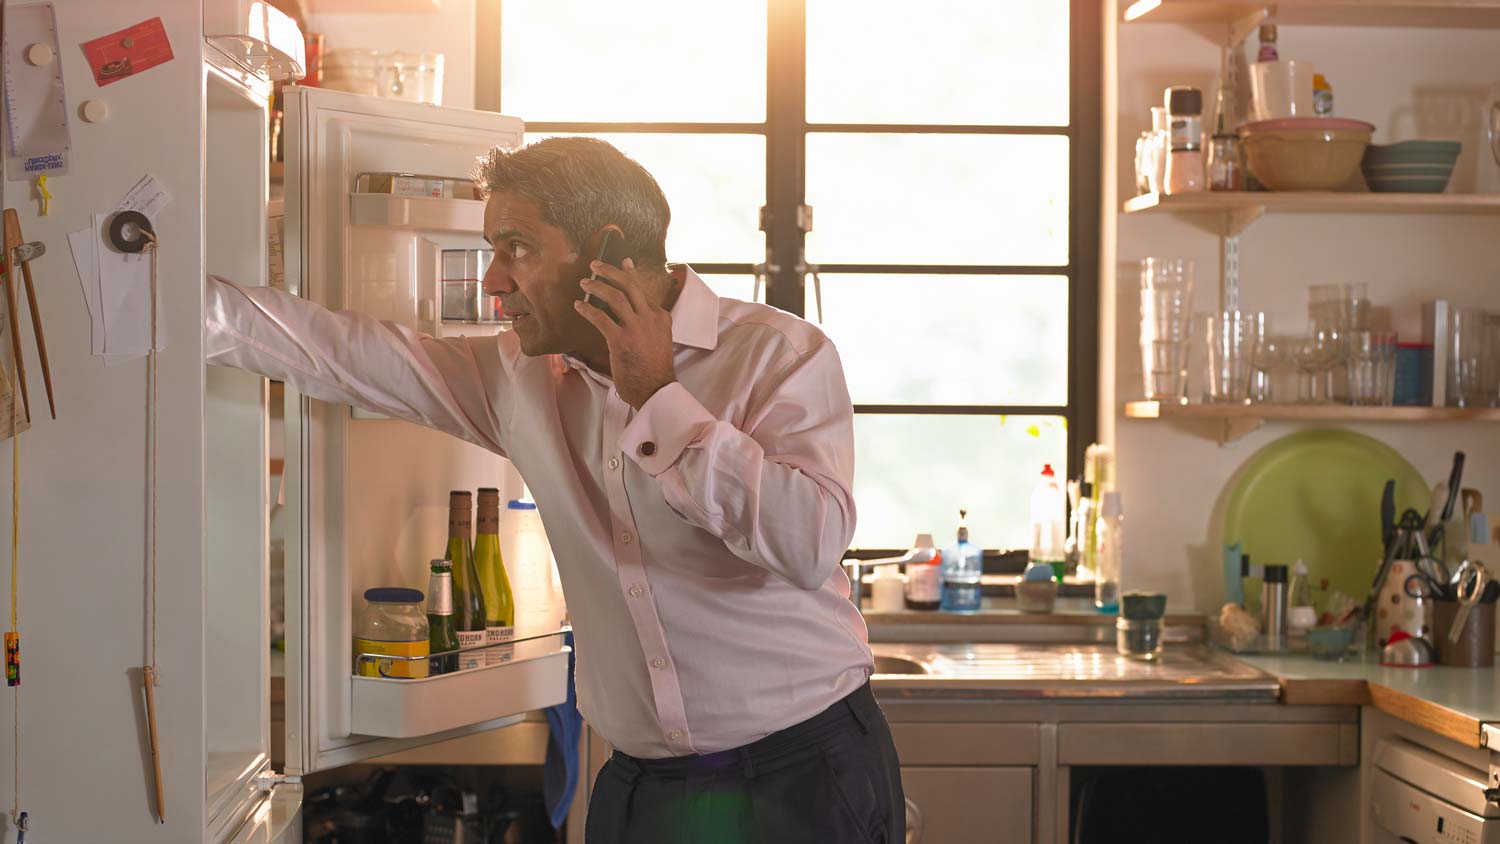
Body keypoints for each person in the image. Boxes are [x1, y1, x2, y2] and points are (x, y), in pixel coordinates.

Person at [205, 137, 903, 842]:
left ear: (606, 253)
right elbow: (337, 353)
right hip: (640, 784)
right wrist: (168, 293)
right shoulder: (516, 379)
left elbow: (809, 543)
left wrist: (657, 396)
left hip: (802, 773)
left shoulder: (777, 354)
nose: (492, 282)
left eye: (516, 247)